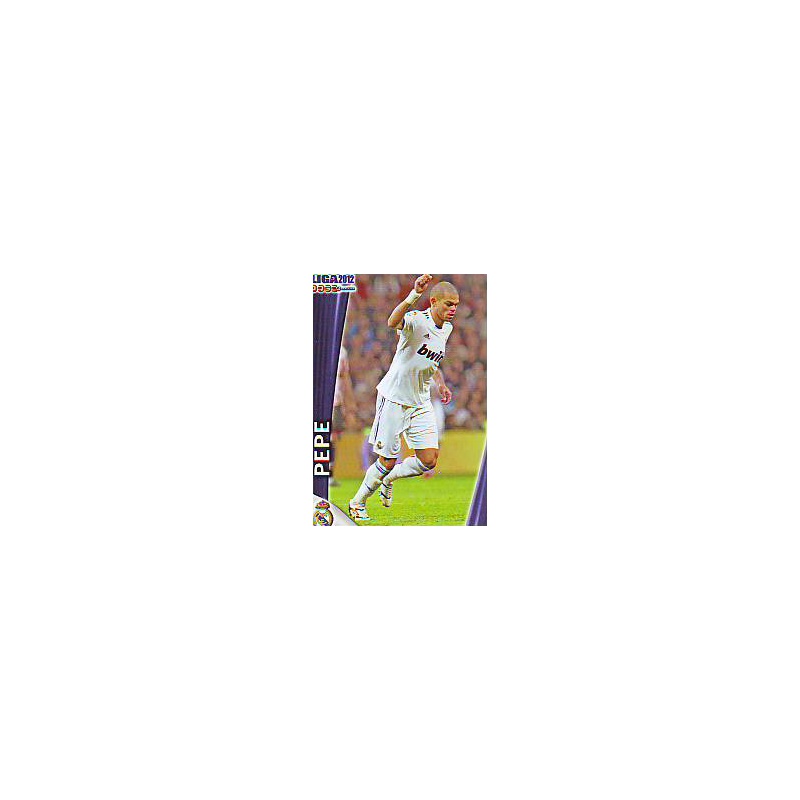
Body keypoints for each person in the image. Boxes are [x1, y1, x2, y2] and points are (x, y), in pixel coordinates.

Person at [349, 274, 456, 521]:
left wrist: (440, 384)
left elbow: (429, 360)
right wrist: (414, 294)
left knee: (428, 460)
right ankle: (357, 503)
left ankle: (390, 479)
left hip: (421, 401)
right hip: (395, 398)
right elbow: (392, 322)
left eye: (456, 305)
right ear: (433, 302)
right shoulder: (417, 320)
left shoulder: (447, 329)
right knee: (386, 460)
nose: (453, 309)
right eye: (448, 304)